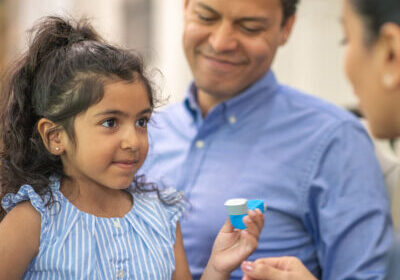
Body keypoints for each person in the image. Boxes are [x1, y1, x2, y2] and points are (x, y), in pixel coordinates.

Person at [139, 0, 394, 279]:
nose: (221, 42)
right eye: (206, 16)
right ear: (185, 8)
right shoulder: (143, 131)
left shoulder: (334, 140)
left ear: (286, 28)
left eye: (250, 27)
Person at [0, 16, 265, 279]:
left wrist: (217, 268)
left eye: (141, 121)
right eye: (110, 122)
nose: (134, 141)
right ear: (55, 137)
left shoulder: (162, 217)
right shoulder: (33, 221)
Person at [240, 0, 400, 279]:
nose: (221, 42)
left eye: (346, 40)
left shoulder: (336, 136)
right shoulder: (161, 129)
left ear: (390, 52)